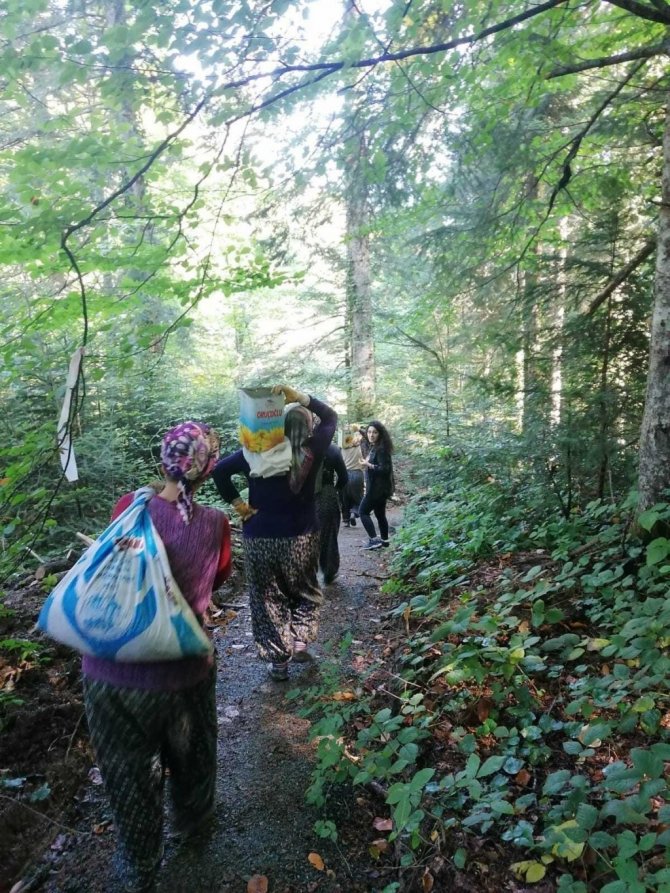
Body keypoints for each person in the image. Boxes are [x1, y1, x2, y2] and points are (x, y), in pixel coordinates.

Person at [82, 422, 231, 893]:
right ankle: (194, 821)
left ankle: (139, 864)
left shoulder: (129, 506)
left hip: (110, 672)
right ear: (207, 468)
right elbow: (218, 578)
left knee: (127, 772)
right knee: (193, 753)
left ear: (163, 460)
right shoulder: (215, 523)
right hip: (181, 669)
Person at [212, 385, 337, 681]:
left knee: (267, 598)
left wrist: (240, 505)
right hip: (302, 536)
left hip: (260, 537)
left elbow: (219, 471)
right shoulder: (313, 449)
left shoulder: (256, 453)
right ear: (308, 427)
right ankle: (300, 642)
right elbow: (331, 417)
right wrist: (302, 398)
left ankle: (279, 661)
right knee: (305, 589)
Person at [315, 439, 348, 585]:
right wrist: (334, 489)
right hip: (326, 495)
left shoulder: (299, 447)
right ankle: (329, 571)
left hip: (303, 498)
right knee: (329, 535)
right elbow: (344, 477)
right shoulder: (333, 449)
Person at [359, 419, 395, 551]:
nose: (371, 435)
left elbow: (385, 469)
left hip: (376, 489)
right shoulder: (375, 446)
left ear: (380, 434)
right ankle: (385, 542)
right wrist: (359, 430)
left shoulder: (381, 449)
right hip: (379, 489)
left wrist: (368, 465)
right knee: (380, 515)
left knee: (363, 512)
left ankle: (374, 540)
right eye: (369, 432)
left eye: (374, 432)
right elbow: (364, 436)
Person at [340, 428, 365, 527]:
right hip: (357, 474)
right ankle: (354, 512)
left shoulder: (342, 448)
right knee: (358, 497)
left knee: (345, 499)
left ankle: (346, 520)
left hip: (344, 474)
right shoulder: (360, 448)